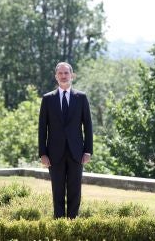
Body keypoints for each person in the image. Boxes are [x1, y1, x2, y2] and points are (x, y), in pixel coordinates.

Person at [38, 61, 93, 219]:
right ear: (56, 76)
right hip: (54, 153)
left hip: (77, 152)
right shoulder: (47, 99)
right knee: (57, 191)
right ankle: (59, 224)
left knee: (75, 190)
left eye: (66, 73)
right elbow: (42, 128)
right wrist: (43, 153)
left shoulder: (81, 97)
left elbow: (88, 126)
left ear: (72, 76)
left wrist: (88, 150)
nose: (63, 76)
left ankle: (73, 223)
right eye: (60, 73)